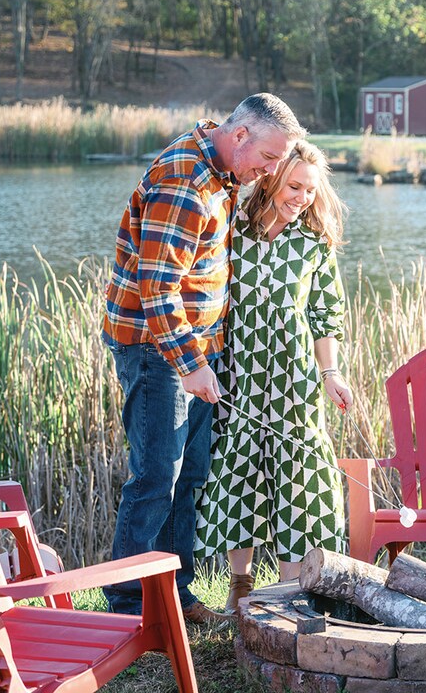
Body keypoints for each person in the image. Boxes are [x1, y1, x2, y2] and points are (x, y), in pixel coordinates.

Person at [101, 94, 305, 624]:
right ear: (240, 136)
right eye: (268, 158)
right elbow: (158, 287)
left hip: (193, 350)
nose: (271, 170)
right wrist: (191, 364)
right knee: (155, 477)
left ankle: (177, 594)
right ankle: (129, 606)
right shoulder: (186, 182)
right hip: (157, 350)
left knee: (189, 475)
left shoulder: (222, 170)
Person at [196, 140, 354, 614]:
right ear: (269, 179)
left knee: (298, 482)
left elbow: (326, 317)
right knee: (238, 474)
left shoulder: (312, 244)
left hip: (294, 382)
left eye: (309, 189)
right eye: (293, 185)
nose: (302, 197)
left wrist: (331, 374)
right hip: (239, 377)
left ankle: (289, 596)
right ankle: (240, 584)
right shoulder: (230, 230)